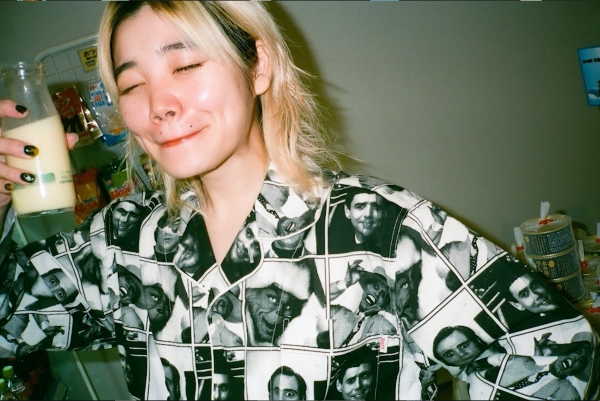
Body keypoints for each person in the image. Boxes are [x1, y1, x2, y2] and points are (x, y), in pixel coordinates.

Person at [0, 1, 597, 400]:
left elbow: (558, 353)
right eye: (132, 84)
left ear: (257, 66)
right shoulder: (119, 243)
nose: (159, 105)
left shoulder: (378, 231)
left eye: (185, 65)